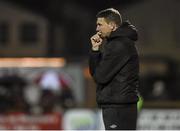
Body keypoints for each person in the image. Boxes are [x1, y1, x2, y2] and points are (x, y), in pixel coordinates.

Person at [89, 8, 139, 130]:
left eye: (100, 24)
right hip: (120, 106)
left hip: (118, 108)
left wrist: (96, 54)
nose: (97, 29)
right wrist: (95, 50)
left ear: (112, 25)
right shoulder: (117, 43)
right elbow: (97, 74)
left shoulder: (118, 45)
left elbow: (100, 77)